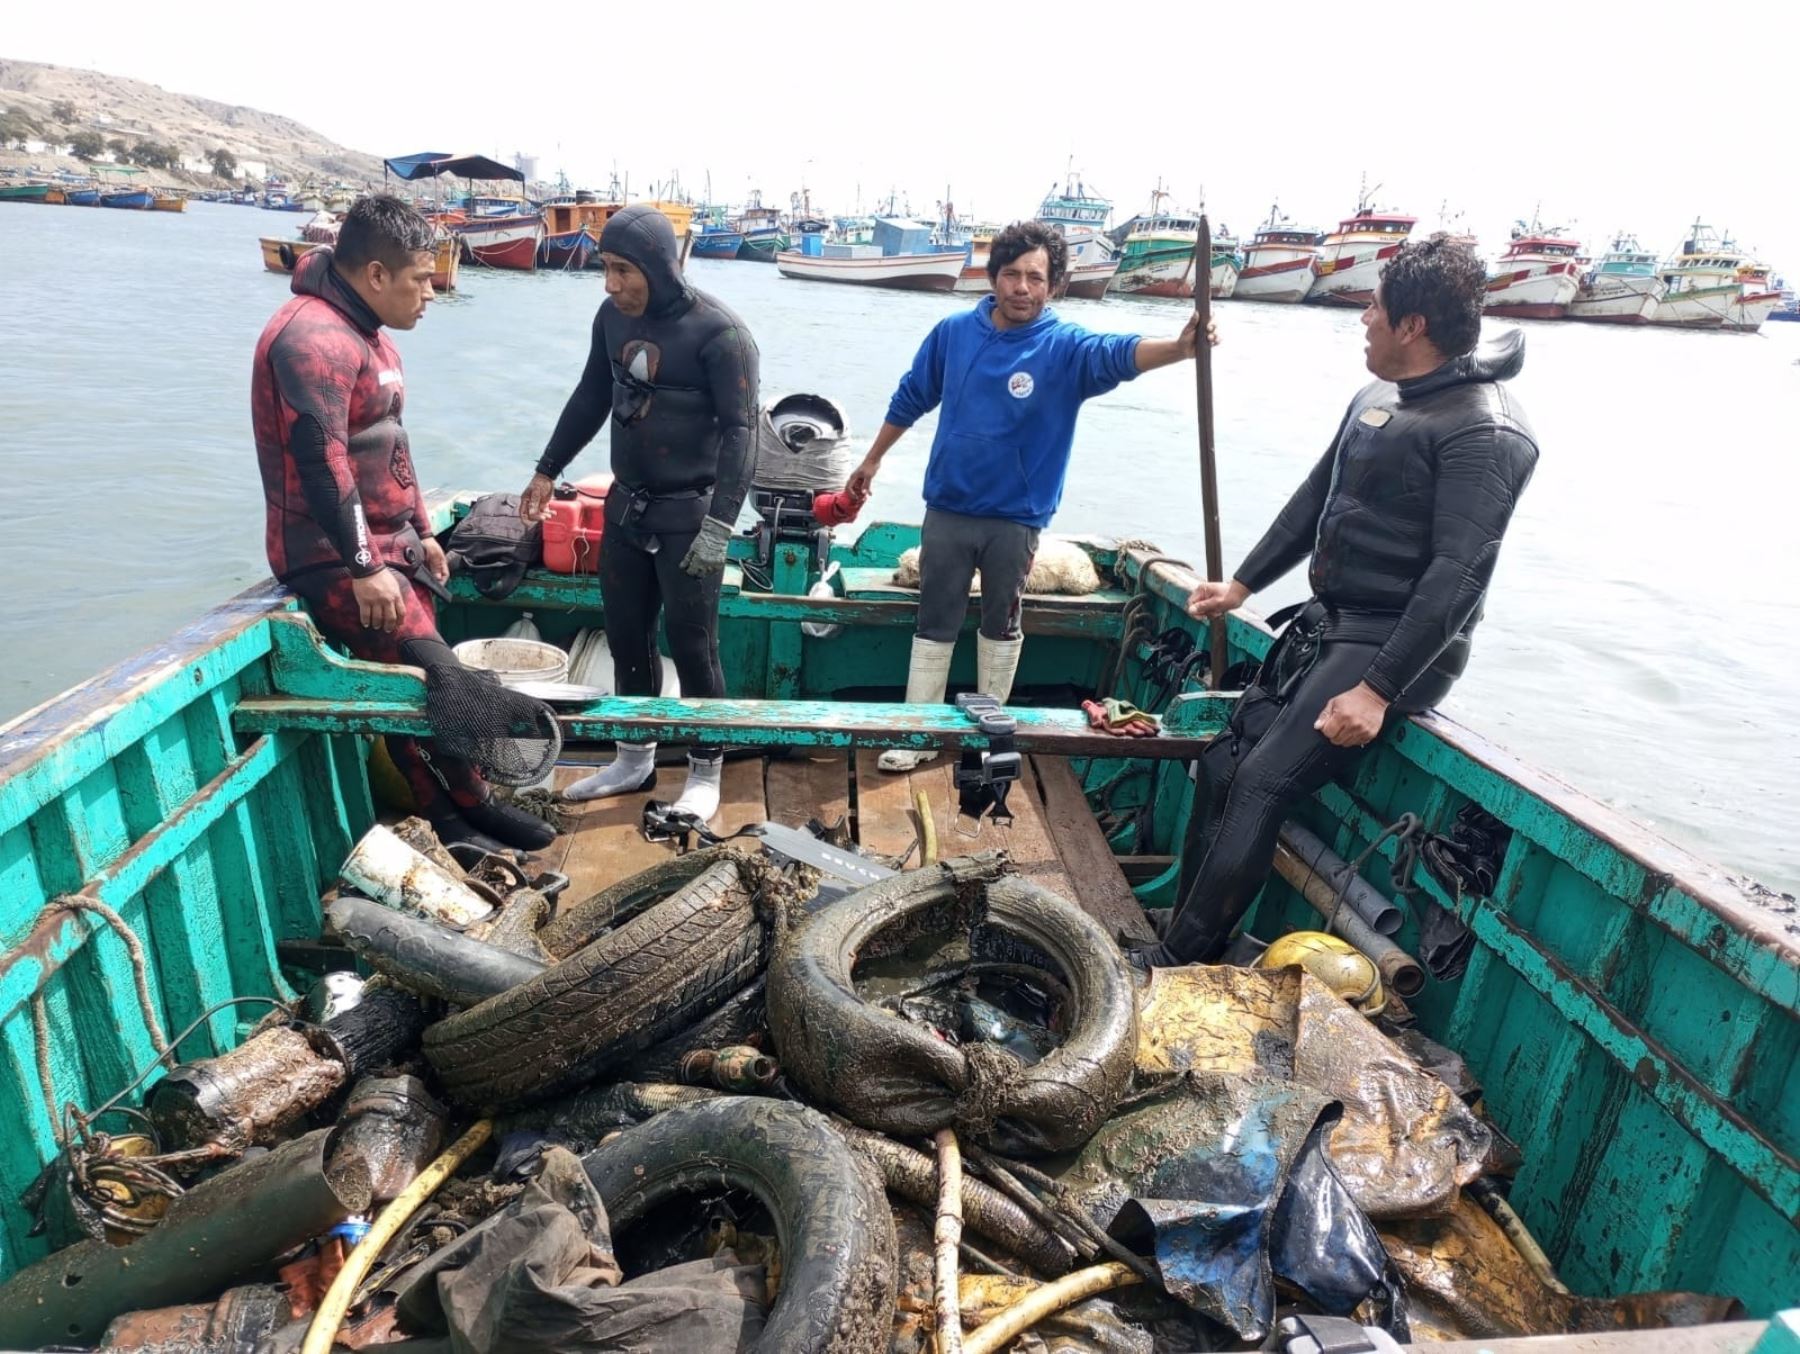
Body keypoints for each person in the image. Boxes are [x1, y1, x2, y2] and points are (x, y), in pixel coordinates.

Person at [1133, 235, 1539, 968]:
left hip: (1400, 646)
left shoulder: (1486, 430)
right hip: (1330, 624)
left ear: (1413, 327)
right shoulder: (1378, 396)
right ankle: (1186, 924)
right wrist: (1244, 585)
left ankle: (1179, 963)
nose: (1363, 319)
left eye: (1375, 308)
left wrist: (1378, 691)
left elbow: (1459, 576)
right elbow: (1318, 496)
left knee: (1260, 784)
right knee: (1224, 765)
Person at [847, 219, 1218, 772]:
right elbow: (912, 396)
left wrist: (1180, 349)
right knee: (935, 621)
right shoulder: (953, 333)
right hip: (948, 507)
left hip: (1017, 519)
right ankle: (918, 732)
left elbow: (1116, 353)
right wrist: (872, 458)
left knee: (1003, 622)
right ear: (993, 278)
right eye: (1013, 274)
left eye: (1036, 278)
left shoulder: (1065, 347)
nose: (1023, 287)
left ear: (1054, 286)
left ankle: (987, 732)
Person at [252, 195, 557, 853]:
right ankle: (460, 816)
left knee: (425, 684)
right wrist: (363, 567)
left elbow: (393, 440)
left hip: (391, 545)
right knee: (434, 680)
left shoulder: (375, 335)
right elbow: (319, 459)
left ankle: (468, 809)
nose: (431, 293)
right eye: (421, 279)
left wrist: (422, 530)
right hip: (329, 551)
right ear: (376, 276)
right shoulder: (312, 338)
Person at [518, 205, 759, 823]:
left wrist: (721, 524)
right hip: (627, 508)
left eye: (624, 270)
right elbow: (592, 395)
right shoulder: (609, 319)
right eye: (605, 268)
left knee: (694, 643)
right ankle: (634, 757)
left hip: (692, 513)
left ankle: (705, 771)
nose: (611, 284)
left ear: (656, 266)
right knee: (627, 633)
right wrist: (547, 469)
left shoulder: (721, 335)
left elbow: (741, 435)